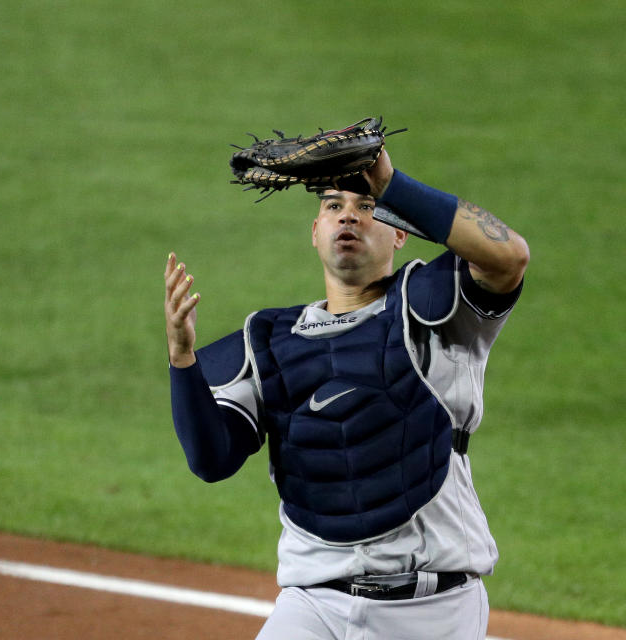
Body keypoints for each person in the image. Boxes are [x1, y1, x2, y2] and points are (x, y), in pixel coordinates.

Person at [163, 142, 529, 640]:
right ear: (315, 233)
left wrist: (391, 184)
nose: (348, 218)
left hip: (436, 609)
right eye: (333, 206)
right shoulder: (268, 341)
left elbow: (509, 256)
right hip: (314, 606)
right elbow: (211, 460)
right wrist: (182, 360)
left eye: (366, 207)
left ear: (400, 232)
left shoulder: (435, 313)